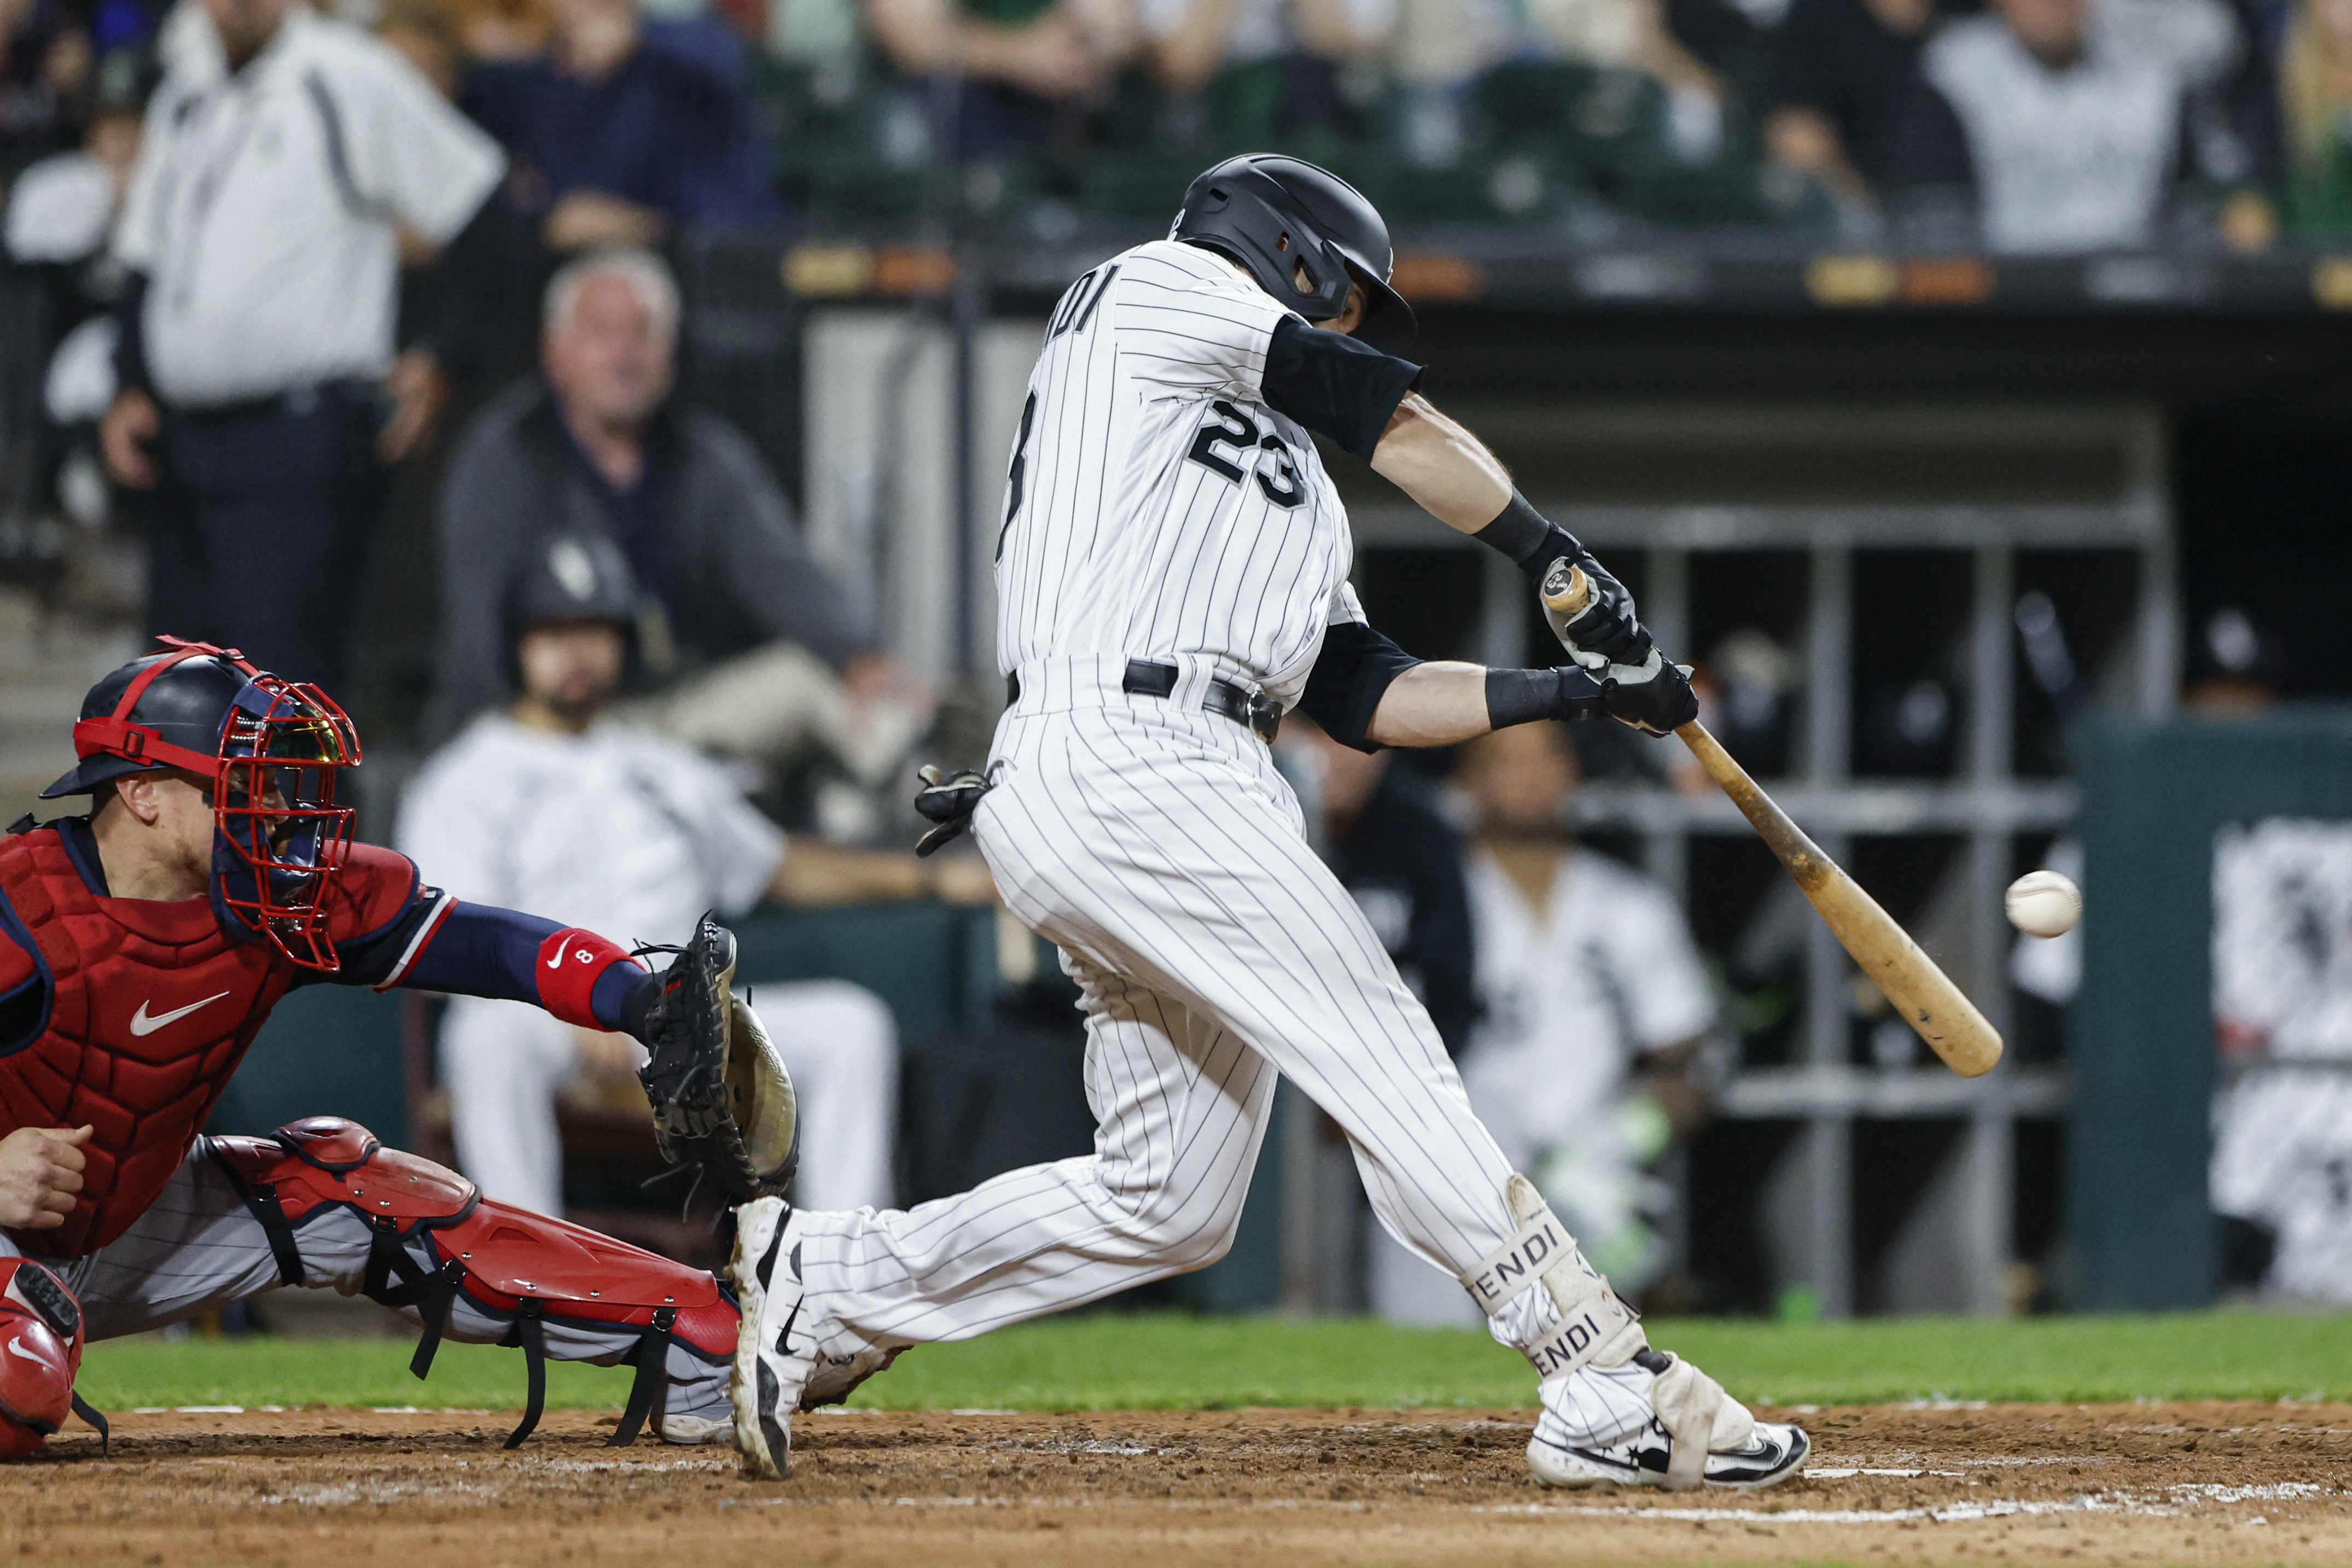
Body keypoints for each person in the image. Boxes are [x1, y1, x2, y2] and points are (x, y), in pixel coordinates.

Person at [723, 154, 1809, 1492]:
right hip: (1129, 751)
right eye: (1344, 295)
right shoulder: (1151, 290)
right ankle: (1593, 1366)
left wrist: (1576, 690)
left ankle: (830, 1281)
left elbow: (1365, 693)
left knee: (1170, 1197)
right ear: (1286, 253)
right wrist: (1548, 554)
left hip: (1180, 772)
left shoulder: (1287, 491)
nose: (1351, 322)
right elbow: (1387, 412)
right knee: (1380, 1042)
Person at [0, 638, 754, 1458]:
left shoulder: (274, 896)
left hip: (125, 1218)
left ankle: (700, 1329)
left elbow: (488, 943)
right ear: (143, 793)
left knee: (357, 1187)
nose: (277, 804)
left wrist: (636, 998)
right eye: (243, 778)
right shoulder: (21, 908)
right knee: (14, 1386)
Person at [398, 533, 993, 1220]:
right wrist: (578, 997)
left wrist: (928, 882)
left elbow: (778, 864)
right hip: (544, 1014)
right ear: (516, 644)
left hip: (680, 1016)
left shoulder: (661, 763)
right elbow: (457, 939)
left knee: (849, 1023)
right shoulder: (467, 777)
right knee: (485, 1036)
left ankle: (836, 1280)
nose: (576, 651)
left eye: (594, 629)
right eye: (554, 630)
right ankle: (523, 1281)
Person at [97, 0, 514, 689]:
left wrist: (447, 355)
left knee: (283, 700)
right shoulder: (187, 90)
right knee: (177, 711)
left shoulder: (346, 75)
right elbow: (146, 255)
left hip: (297, 440)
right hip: (185, 445)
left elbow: (485, 207)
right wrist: (129, 382)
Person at [426, 250, 894, 773]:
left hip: (674, 715)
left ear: (668, 355)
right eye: (601, 333)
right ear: (555, 353)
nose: (624, 355)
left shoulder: (700, 452)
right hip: (550, 725)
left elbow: (781, 572)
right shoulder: (506, 457)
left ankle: (939, 810)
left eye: (642, 333)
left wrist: (856, 659)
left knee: (827, 684)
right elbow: (481, 634)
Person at [1369, 722, 1718, 1326]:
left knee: (1609, 1359)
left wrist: (1623, 1136)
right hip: (1446, 1178)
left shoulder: (1627, 906)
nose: (1529, 775)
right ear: (1465, 782)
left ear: (1574, 773)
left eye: (1547, 757)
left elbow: (1692, 1059)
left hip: (1586, 1183)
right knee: (1423, 1366)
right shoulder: (1422, 902)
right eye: (1505, 759)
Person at [1881, 0, 2279, 254]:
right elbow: (1934, 224)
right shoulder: (1956, 73)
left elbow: (2192, 212)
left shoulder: (2148, 72)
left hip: (2141, 318)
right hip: (2000, 316)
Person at [463, 0, 781, 251]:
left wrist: (639, 39)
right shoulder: (529, 79)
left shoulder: (689, 45)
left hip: (696, 261)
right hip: (567, 271)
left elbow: (728, 66)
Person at [1762, 0, 1935, 209]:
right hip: (1859, 195)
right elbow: (1795, 125)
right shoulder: (1819, 15)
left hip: (1955, 196)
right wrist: (1858, 204)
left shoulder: (1965, 25)